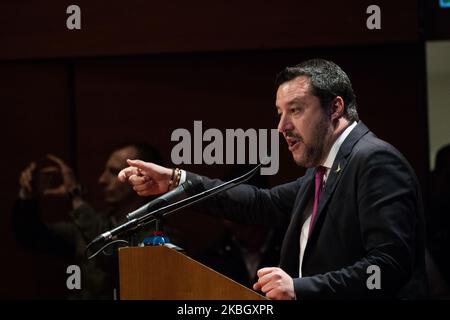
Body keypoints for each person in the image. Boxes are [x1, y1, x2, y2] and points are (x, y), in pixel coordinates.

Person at [118, 59, 428, 299]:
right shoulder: (322, 172)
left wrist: (300, 289)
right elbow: (259, 203)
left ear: (335, 107)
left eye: (295, 110)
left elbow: (387, 266)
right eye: (280, 112)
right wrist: (176, 181)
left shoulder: (374, 161)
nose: (282, 126)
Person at [12, 143, 164, 299]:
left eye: (113, 172)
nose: (102, 180)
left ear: (144, 179)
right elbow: (31, 236)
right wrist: (28, 197)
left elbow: (109, 255)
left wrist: (75, 196)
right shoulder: (90, 225)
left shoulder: (159, 234)